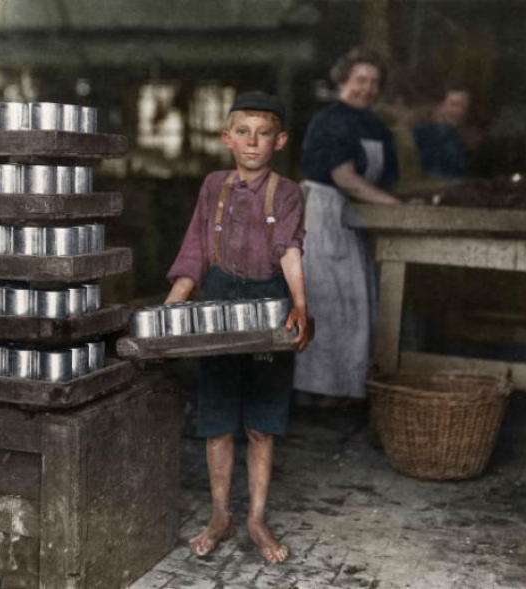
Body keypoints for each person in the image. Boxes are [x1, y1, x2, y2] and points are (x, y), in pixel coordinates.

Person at [165, 91, 310, 564]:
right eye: (243, 132)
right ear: (227, 138)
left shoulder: (288, 193)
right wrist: (171, 309)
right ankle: (220, 515)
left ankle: (256, 519)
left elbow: (290, 250)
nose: (253, 141)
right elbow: (195, 252)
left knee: (261, 424)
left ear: (279, 141)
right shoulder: (213, 187)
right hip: (220, 302)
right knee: (218, 421)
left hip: (270, 304)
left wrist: (300, 306)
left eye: (263, 133)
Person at [294, 47, 401, 404]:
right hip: (324, 216)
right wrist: (394, 206)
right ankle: (312, 391)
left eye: (373, 82)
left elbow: (385, 179)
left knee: (354, 307)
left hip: (357, 217)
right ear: (343, 81)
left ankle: (342, 391)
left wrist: (391, 200)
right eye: (360, 80)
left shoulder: (376, 125)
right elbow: (345, 177)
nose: (366, 89)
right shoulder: (330, 120)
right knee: (326, 304)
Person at [412, 83, 471, 180]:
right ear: (440, 105)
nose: (459, 111)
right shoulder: (421, 134)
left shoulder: (462, 136)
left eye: (464, 106)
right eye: (453, 104)